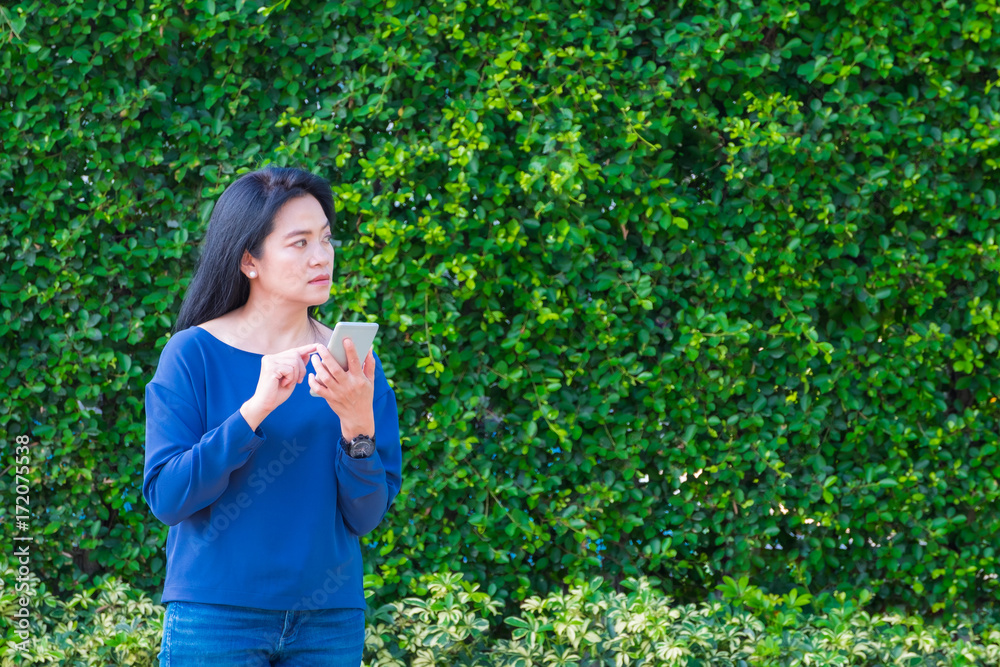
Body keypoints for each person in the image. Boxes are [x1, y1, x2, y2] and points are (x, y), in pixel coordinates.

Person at [142, 165, 402, 666]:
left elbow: (367, 515)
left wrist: (357, 428)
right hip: (215, 617)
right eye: (299, 243)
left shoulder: (354, 364)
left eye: (325, 239)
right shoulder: (191, 354)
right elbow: (169, 497)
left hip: (329, 622)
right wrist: (254, 411)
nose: (322, 256)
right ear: (249, 260)